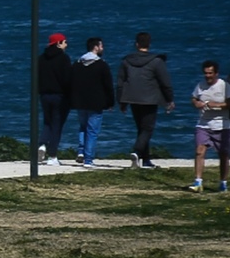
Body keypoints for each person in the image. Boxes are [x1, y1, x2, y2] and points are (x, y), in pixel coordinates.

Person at [116, 32, 174, 169]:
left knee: (141, 129)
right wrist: (169, 99)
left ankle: (145, 160)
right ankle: (137, 151)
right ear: (149, 44)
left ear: (136, 44)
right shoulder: (156, 61)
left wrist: (121, 101)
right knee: (148, 129)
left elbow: (120, 83)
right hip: (150, 99)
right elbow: (165, 83)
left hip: (132, 98)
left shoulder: (126, 61)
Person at [189, 60, 230, 193]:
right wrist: (196, 103)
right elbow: (194, 98)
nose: (208, 76)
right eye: (205, 73)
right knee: (199, 151)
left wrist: (217, 105)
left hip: (222, 125)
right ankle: (198, 182)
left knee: (224, 155)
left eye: (210, 73)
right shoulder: (201, 85)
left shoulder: (224, 86)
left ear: (216, 73)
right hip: (204, 124)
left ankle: (223, 183)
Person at [66, 38, 114, 168]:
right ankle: (88, 159)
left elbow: (71, 83)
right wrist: (110, 102)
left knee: (83, 127)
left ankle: (81, 151)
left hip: (80, 102)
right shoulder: (102, 65)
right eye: (101, 46)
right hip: (96, 102)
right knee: (92, 130)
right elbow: (108, 85)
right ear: (96, 47)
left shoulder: (77, 64)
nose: (102, 48)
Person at [36, 32, 73, 166]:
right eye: (64, 42)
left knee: (47, 121)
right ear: (58, 43)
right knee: (57, 124)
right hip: (60, 95)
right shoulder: (64, 59)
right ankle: (52, 156)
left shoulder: (41, 58)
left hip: (44, 95)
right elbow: (67, 79)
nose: (66, 45)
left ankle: (42, 145)